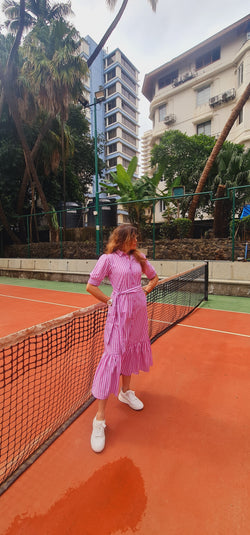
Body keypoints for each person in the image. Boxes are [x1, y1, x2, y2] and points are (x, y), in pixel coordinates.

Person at [86, 224, 158, 453]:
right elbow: (91, 286)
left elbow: (154, 278)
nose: (136, 240)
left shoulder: (139, 258)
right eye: (133, 237)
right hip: (118, 313)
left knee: (130, 351)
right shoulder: (107, 259)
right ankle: (99, 419)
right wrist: (109, 301)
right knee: (113, 357)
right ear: (122, 239)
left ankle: (126, 392)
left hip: (138, 311)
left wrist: (145, 290)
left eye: (136, 237)